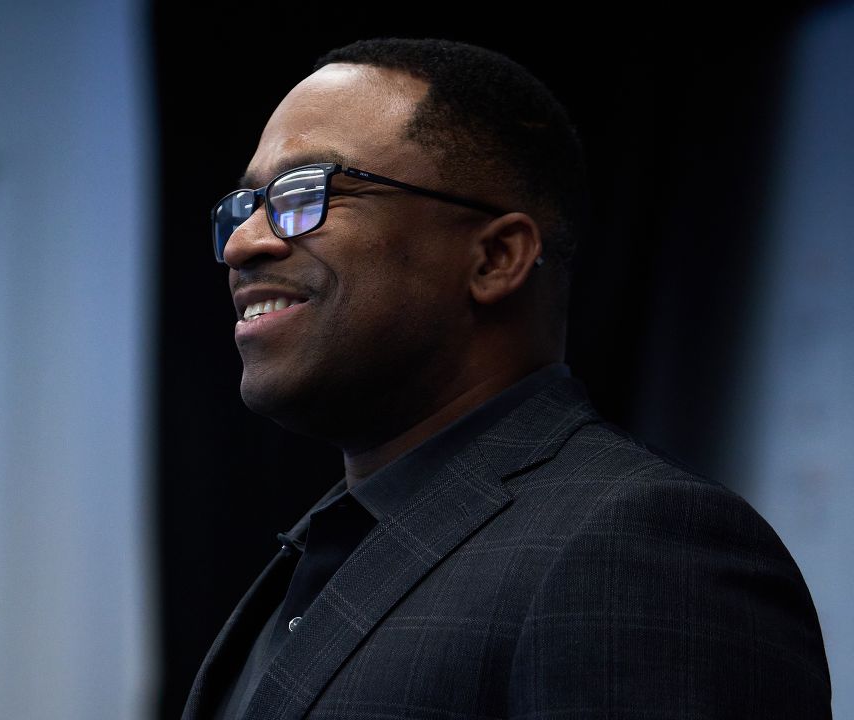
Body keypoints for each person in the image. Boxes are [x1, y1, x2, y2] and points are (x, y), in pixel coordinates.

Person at [185, 38, 830, 719]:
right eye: (245, 204)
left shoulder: (640, 551)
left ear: (496, 257)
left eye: (304, 193)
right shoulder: (325, 544)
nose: (241, 245)